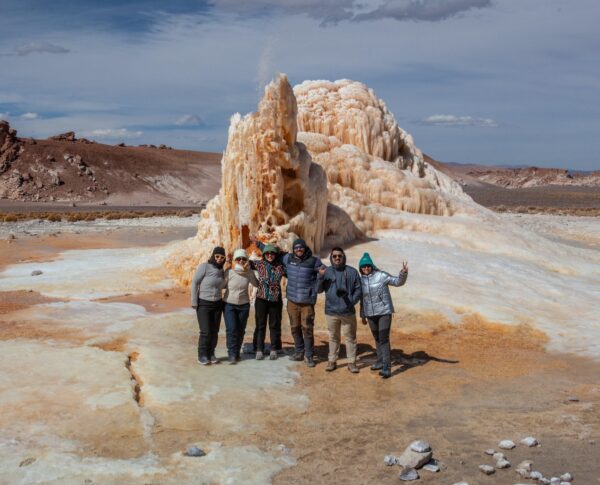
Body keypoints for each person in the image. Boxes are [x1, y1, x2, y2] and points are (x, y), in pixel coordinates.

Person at [253, 237, 323, 368]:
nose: (299, 250)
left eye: (301, 247)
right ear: (294, 250)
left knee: (307, 328)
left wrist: (321, 277)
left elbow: (324, 270)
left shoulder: (314, 261)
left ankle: (308, 355)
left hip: (307, 301)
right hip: (292, 300)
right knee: (295, 328)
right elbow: (271, 252)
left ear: (305, 248)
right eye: (296, 248)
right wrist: (258, 244)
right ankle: (299, 351)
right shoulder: (288, 258)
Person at [358, 252, 408, 379]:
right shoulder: (361, 280)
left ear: (372, 266)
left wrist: (403, 273)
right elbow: (362, 299)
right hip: (370, 314)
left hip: (384, 312)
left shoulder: (381, 275)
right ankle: (380, 361)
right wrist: (363, 315)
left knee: (384, 339)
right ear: (361, 269)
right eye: (363, 267)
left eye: (368, 266)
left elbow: (397, 282)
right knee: (377, 338)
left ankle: (387, 367)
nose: (366, 268)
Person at [317, 247, 362, 373]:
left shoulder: (352, 272)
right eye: (335, 256)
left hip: (347, 311)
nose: (337, 258)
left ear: (344, 257)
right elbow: (318, 290)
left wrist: (352, 301)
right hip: (331, 311)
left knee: (350, 337)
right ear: (331, 258)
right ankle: (332, 361)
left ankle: (352, 362)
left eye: (340, 256)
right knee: (333, 337)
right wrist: (320, 277)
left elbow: (359, 289)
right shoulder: (326, 272)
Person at [191, 246, 227, 365]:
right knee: (205, 331)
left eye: (222, 257)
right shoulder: (204, 267)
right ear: (213, 256)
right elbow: (195, 282)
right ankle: (202, 355)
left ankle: (211, 353)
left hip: (217, 303)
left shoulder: (222, 270)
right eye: (217, 256)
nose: (219, 259)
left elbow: (222, 285)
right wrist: (194, 301)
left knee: (214, 331)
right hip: (204, 303)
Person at [223, 249, 258, 364]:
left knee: (241, 330)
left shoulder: (248, 272)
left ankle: (237, 352)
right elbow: (221, 285)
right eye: (238, 259)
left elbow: (256, 284)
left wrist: (250, 272)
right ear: (235, 260)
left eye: (243, 259)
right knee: (232, 329)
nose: (241, 261)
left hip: (244, 305)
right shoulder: (229, 272)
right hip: (229, 305)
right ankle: (232, 354)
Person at [250, 243, 286, 360]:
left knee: (274, 325)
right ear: (264, 254)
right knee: (261, 325)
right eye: (268, 253)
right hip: (261, 299)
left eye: (272, 253)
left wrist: (281, 251)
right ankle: (259, 349)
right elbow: (245, 262)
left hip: (275, 300)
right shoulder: (259, 264)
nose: (270, 255)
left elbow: (290, 260)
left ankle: (273, 349)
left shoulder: (281, 267)